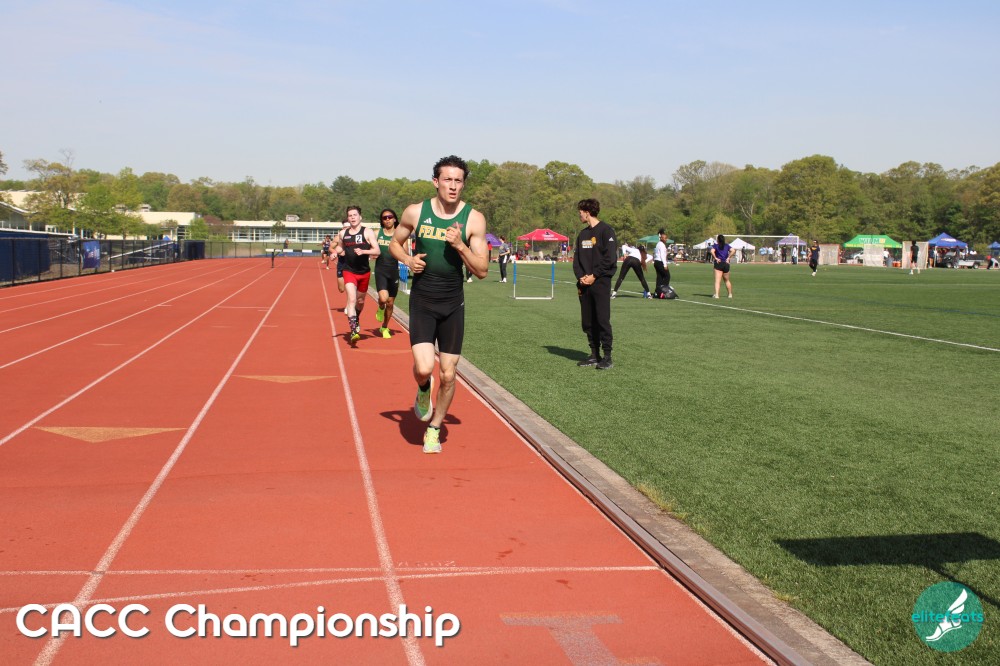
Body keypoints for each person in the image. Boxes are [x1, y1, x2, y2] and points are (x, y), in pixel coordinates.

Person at [389, 155, 489, 454]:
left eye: (459, 181)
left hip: (452, 304)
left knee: (448, 374)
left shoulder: (474, 219)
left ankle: (434, 428)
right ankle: (423, 388)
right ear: (436, 182)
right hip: (423, 301)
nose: (453, 186)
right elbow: (394, 243)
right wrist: (408, 260)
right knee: (424, 368)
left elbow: (482, 270)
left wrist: (460, 245)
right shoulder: (415, 212)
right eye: (448, 180)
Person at [573, 198, 617, 370]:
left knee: (602, 319)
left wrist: (595, 275)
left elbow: (610, 258)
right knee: (588, 321)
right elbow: (576, 260)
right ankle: (594, 354)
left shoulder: (606, 231)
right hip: (584, 284)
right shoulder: (582, 235)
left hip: (600, 282)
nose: (579, 215)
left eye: (580, 212)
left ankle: (607, 357)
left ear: (587, 212)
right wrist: (581, 277)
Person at [338, 206, 380, 343]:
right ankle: (353, 330)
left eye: (355, 215)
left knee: (360, 301)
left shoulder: (367, 232)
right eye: (350, 215)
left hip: (364, 272)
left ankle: (356, 318)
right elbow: (340, 247)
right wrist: (334, 252)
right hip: (349, 270)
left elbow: (377, 251)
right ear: (348, 218)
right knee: (351, 299)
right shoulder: (343, 233)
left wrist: (364, 252)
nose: (352, 217)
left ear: (360, 217)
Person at [374, 209, 400, 339]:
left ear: (395, 219)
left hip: (393, 271)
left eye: (390, 217)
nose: (387, 219)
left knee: (390, 303)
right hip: (381, 270)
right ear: (382, 220)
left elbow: (405, 252)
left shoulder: (400, 234)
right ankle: (380, 306)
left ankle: (384, 327)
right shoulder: (376, 233)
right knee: (384, 299)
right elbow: (370, 247)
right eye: (384, 218)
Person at [710, 234, 734, 299]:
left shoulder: (715, 246)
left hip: (719, 263)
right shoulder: (727, 245)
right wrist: (728, 258)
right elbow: (733, 250)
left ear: (718, 240)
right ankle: (730, 294)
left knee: (717, 281)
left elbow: (712, 251)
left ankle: (717, 295)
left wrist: (715, 258)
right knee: (727, 280)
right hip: (726, 264)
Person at [653, 229, 671, 296]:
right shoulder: (662, 245)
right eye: (665, 238)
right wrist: (665, 265)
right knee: (667, 276)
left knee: (659, 277)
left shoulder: (658, 244)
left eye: (666, 238)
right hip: (660, 262)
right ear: (661, 238)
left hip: (656, 262)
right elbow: (662, 255)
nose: (666, 239)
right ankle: (663, 291)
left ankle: (657, 292)